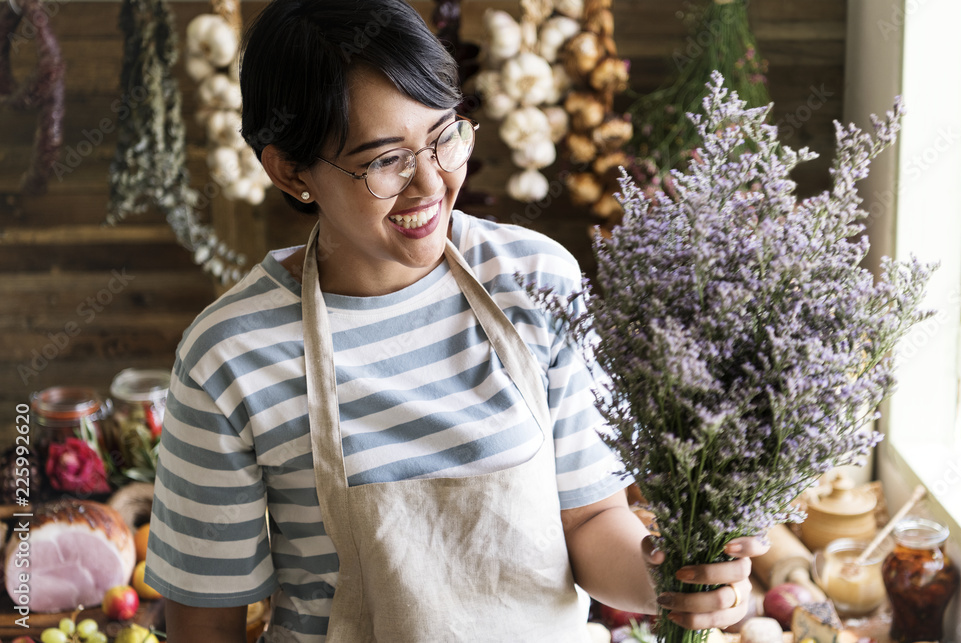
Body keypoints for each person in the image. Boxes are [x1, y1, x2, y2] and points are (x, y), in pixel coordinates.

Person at [145, 1, 769, 641]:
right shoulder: (230, 355)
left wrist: (671, 582)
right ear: (289, 170)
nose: (431, 185)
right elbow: (205, 625)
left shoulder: (537, 280)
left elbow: (589, 524)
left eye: (444, 136)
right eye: (385, 160)